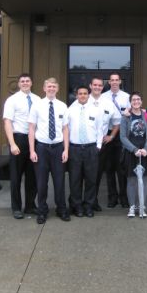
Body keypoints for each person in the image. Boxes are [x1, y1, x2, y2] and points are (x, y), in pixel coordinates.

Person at [28, 77, 70, 224]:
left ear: (57, 89)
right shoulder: (37, 105)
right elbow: (31, 128)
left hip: (58, 148)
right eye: (49, 86)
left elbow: (65, 129)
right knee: (41, 182)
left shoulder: (62, 106)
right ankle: (42, 211)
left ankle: (61, 209)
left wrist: (66, 149)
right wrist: (32, 150)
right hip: (41, 148)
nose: (51, 89)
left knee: (59, 181)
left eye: (54, 86)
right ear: (44, 88)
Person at [2, 73, 40, 219]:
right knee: (16, 176)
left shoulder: (37, 99)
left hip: (35, 140)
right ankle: (16, 208)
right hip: (19, 139)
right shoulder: (12, 100)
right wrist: (12, 144)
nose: (25, 83)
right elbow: (7, 122)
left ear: (31, 83)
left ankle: (30, 206)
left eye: (27, 81)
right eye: (22, 81)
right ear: (18, 84)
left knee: (32, 176)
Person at [66, 85, 104, 217]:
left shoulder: (96, 110)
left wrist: (98, 145)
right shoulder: (70, 110)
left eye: (85, 93)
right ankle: (77, 206)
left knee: (91, 179)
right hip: (75, 148)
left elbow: (100, 129)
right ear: (76, 95)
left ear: (88, 95)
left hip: (91, 148)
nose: (82, 95)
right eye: (80, 93)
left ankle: (89, 206)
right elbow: (66, 129)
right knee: (75, 179)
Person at [88, 77, 121, 211]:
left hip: (102, 144)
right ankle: (83, 202)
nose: (97, 87)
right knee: (86, 174)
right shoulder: (83, 100)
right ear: (90, 86)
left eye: (99, 85)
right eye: (95, 85)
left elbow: (117, 121)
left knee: (98, 173)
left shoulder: (108, 103)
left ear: (102, 87)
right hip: (86, 144)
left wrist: (111, 136)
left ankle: (93, 201)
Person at [119, 91, 147, 218]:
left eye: (138, 99)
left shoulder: (146, 116)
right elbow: (123, 137)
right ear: (130, 102)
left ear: (141, 101)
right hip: (131, 152)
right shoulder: (126, 117)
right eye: (133, 100)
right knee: (131, 180)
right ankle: (132, 206)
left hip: (144, 152)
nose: (136, 102)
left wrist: (146, 148)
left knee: (144, 180)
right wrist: (134, 149)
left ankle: (141, 206)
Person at [100, 73, 130, 208]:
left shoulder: (126, 97)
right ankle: (112, 197)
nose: (114, 82)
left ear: (120, 82)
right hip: (107, 133)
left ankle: (124, 197)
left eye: (116, 80)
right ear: (109, 82)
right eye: (112, 80)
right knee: (109, 167)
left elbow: (131, 112)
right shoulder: (103, 97)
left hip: (122, 134)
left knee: (121, 168)